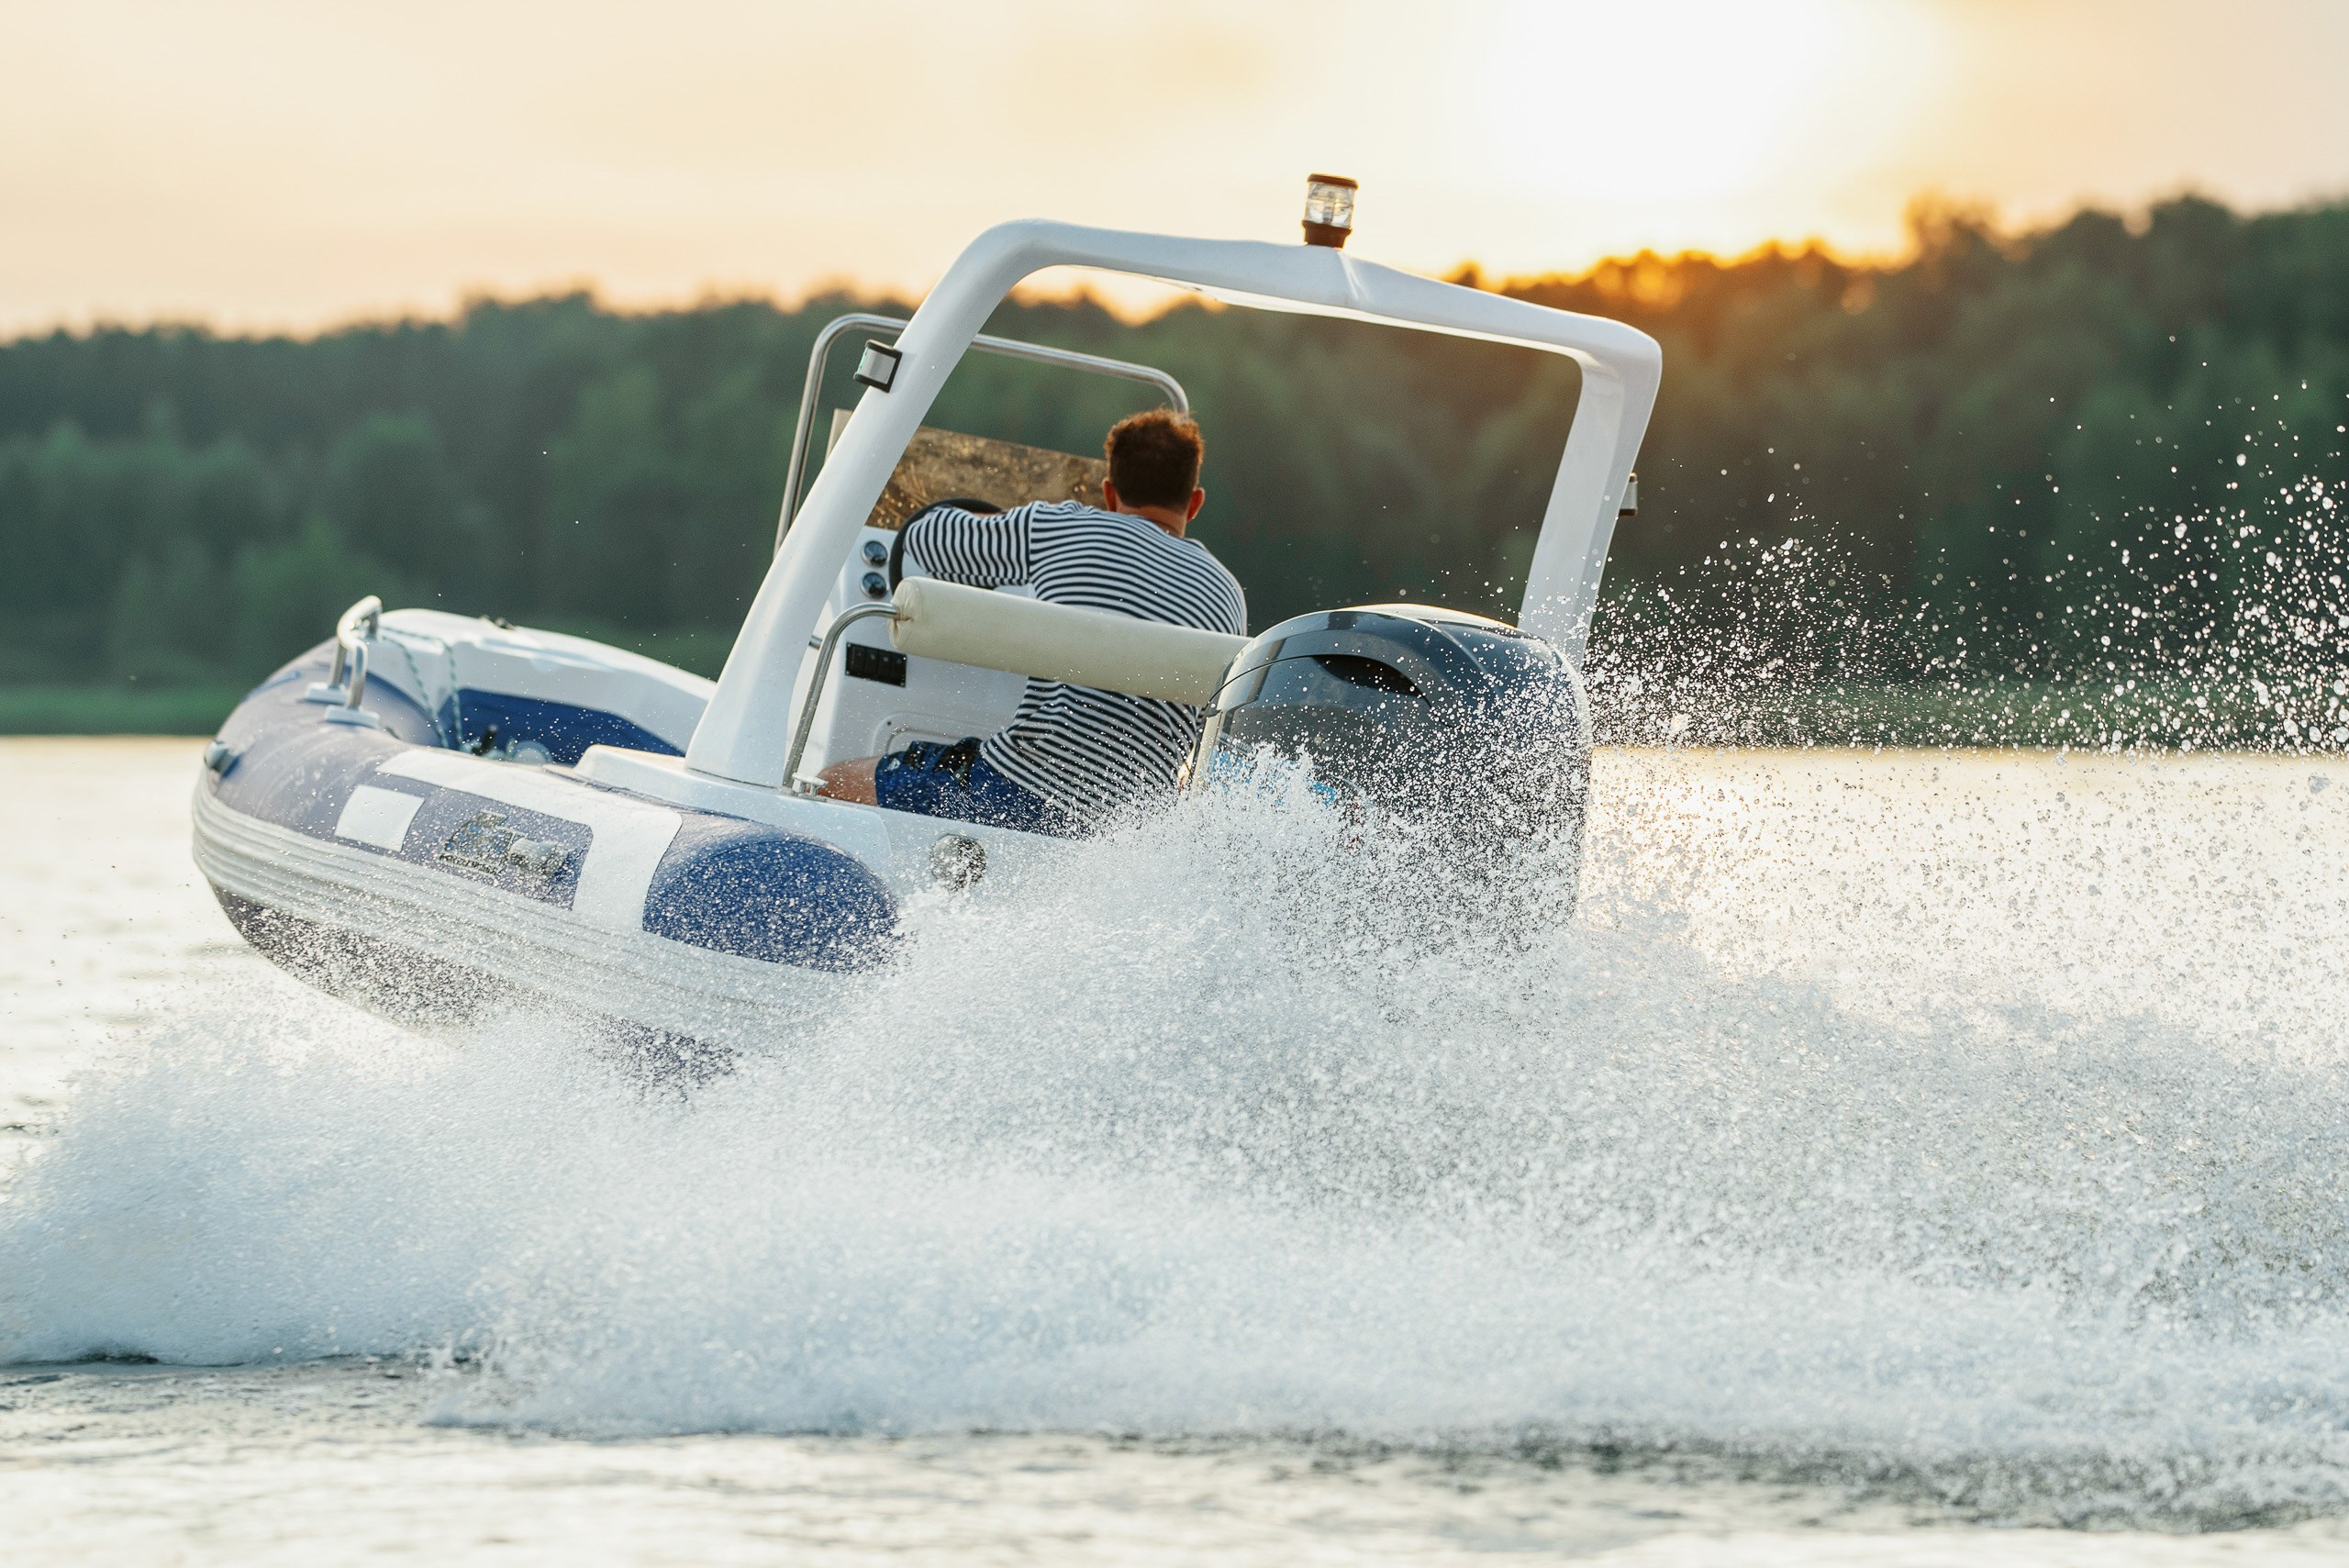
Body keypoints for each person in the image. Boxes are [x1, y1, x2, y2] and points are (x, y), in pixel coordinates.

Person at [818, 408, 1246, 834]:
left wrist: (1005, 524)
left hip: (1017, 790)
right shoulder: (1227, 593)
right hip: (1129, 831)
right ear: (1194, 503)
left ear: (1109, 492)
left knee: (830, 784)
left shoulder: (1058, 528)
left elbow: (926, 540)